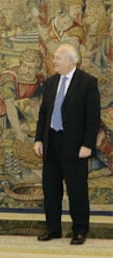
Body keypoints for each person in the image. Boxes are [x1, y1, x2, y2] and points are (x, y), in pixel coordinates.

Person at [33, 43, 100, 245]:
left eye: (57, 58)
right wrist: (38, 139)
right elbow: (43, 114)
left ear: (71, 60)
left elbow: (93, 118)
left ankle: (79, 230)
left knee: (77, 189)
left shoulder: (87, 82)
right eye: (54, 58)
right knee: (51, 189)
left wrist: (88, 144)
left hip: (76, 146)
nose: (54, 61)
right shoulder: (51, 83)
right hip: (51, 143)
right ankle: (52, 229)